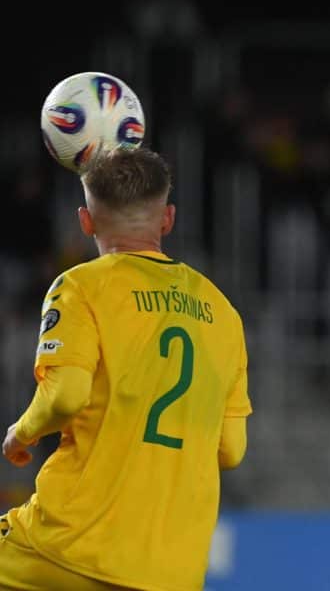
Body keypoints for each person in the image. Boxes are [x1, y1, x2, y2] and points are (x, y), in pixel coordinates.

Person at [1, 147, 252, 591]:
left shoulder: (80, 286)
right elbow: (231, 449)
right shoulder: (223, 312)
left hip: (68, 549)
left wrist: (22, 432)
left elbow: (66, 395)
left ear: (86, 222)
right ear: (168, 218)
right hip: (173, 571)